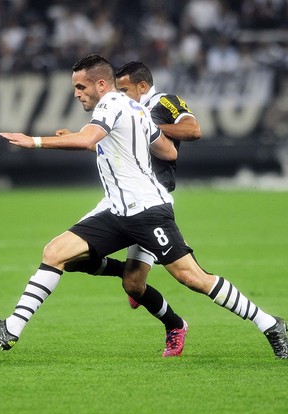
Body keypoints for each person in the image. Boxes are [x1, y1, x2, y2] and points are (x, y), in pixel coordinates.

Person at [0, 54, 288, 359]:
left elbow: (88, 140)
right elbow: (168, 152)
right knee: (57, 253)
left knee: (192, 277)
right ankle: (10, 329)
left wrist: (35, 141)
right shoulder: (135, 110)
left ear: (100, 85)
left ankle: (269, 323)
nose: (76, 94)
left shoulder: (112, 103)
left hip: (146, 210)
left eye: (80, 87)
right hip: (116, 210)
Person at [61, 61, 202, 357]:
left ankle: (175, 325)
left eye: (124, 90)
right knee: (78, 262)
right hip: (123, 198)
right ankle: (166, 256)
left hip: (152, 200)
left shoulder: (163, 102)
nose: (119, 95)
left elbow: (193, 129)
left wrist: (144, 124)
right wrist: (78, 139)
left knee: (136, 285)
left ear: (142, 86)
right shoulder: (121, 109)